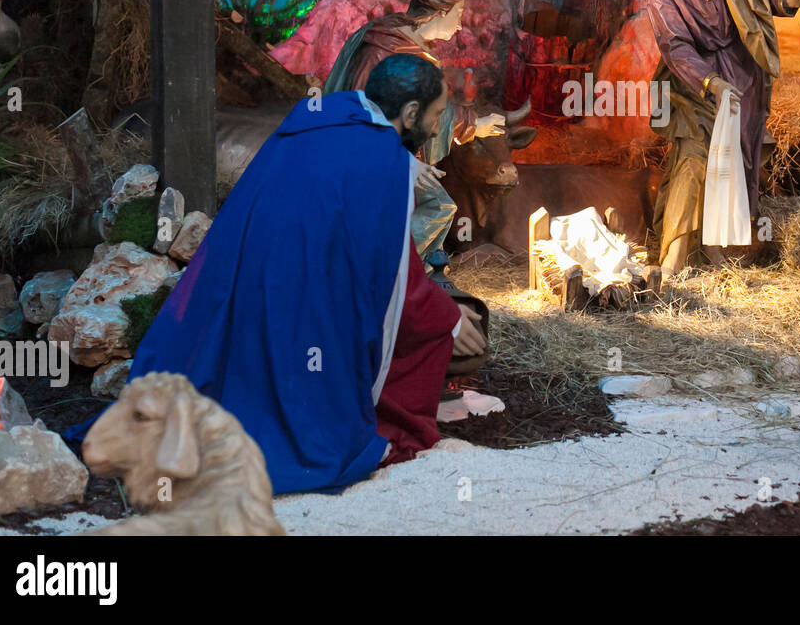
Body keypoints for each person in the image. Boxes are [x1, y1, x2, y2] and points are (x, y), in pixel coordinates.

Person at [67, 54, 487, 494]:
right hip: (300, 315)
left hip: (244, 293)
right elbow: (392, 277)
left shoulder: (320, 123)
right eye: (438, 116)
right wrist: (448, 318)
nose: (439, 129)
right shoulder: (380, 160)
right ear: (410, 114)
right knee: (426, 339)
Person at [641, 0, 800, 275]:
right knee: (695, 157)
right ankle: (673, 256)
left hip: (741, 76)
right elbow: (675, 45)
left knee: (736, 160)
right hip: (694, 82)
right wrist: (711, 82)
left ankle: (716, 253)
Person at [323, 0, 505, 266]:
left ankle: (413, 274)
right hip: (368, 159)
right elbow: (365, 113)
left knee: (436, 208)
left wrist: (474, 124)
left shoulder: (412, 46)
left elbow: (424, 111)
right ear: (440, 12)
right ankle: (386, 271)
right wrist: (403, 162)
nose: (460, 25)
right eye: (458, 15)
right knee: (436, 207)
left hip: (395, 155)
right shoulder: (384, 50)